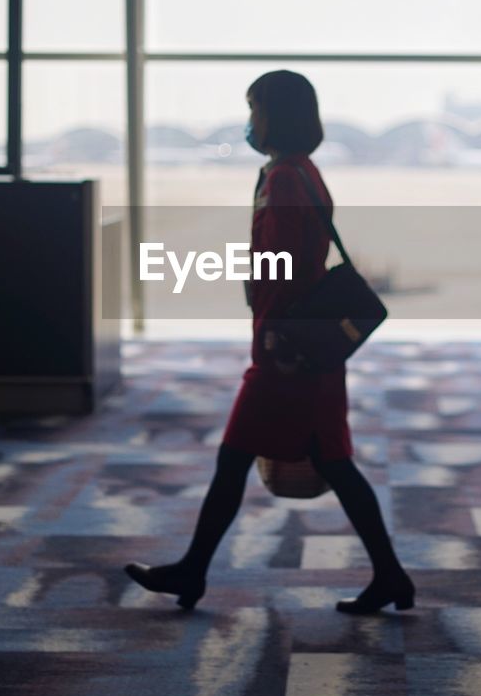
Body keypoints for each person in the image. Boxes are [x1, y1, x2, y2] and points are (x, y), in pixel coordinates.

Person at [124, 70, 414, 615]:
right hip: (306, 347)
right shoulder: (302, 171)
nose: (249, 120)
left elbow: (279, 265)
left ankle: (193, 571)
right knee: (327, 462)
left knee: (238, 458)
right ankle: (390, 575)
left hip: (287, 353)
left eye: (255, 108)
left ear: (276, 115)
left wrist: (273, 338)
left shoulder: (283, 178)